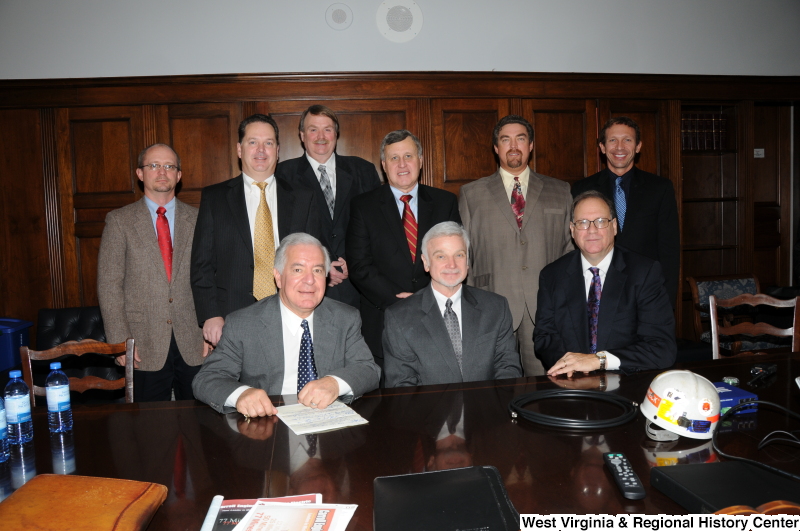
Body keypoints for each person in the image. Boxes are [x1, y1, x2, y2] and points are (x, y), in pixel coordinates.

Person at [192, 233, 381, 417]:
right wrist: (241, 394)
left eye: (317, 270)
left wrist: (335, 383)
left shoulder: (345, 318)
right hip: (268, 426)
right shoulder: (243, 324)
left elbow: (368, 369)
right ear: (279, 277)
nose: (309, 280)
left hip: (327, 423)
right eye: (298, 270)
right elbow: (207, 379)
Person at [191, 114, 319, 348]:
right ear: (240, 149)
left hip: (291, 313)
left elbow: (313, 260)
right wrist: (210, 314)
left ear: (278, 150)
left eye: (268, 143)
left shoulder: (303, 198)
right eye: (253, 142)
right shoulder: (215, 197)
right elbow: (202, 265)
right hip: (231, 319)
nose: (261, 150)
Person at [458, 115, 573, 376]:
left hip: (546, 310)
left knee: (546, 389)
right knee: (495, 391)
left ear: (531, 145)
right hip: (491, 306)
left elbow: (570, 251)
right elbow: (465, 252)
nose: (513, 146)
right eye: (505, 139)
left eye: (520, 138)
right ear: (496, 148)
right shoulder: (471, 193)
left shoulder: (560, 190)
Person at [97, 143, 206, 401]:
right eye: (154, 165)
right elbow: (109, 285)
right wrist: (120, 341)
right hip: (141, 343)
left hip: (194, 340)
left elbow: (210, 278)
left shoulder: (200, 219)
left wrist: (211, 331)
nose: (162, 172)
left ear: (178, 175)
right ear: (140, 173)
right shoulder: (119, 221)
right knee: (148, 430)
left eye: (169, 166)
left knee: (201, 428)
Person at [347, 130, 461, 370]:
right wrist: (400, 301)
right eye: (394, 158)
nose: (402, 164)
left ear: (420, 161)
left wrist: (427, 298)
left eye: (408, 156)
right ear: (383, 165)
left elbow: (456, 258)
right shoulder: (363, 206)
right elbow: (359, 265)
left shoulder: (445, 202)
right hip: (383, 317)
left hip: (437, 315)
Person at [534, 191, 676, 376]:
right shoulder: (551, 275)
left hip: (627, 382)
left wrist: (599, 361)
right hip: (572, 385)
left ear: (614, 226)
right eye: (582, 223)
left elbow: (662, 348)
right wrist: (571, 367)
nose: (592, 230)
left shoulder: (644, 273)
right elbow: (544, 338)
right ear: (572, 230)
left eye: (601, 221)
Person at [383, 221, 522, 387]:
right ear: (426, 262)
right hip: (429, 411)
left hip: (487, 407)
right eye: (441, 256)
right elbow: (401, 385)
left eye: (459, 255)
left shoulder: (496, 307)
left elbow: (508, 369)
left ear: (468, 261)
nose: (452, 265)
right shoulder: (400, 317)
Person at [276, 105, 381, 308]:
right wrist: (321, 267)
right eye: (313, 129)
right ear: (302, 135)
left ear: (336, 133)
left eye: (328, 129)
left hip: (359, 288)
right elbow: (281, 231)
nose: (321, 136)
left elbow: (377, 227)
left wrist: (356, 262)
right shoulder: (282, 175)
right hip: (306, 287)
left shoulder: (363, 170)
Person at [571, 117, 680, 308]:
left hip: (646, 294)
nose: (619, 147)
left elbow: (669, 251)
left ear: (638, 146)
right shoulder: (581, 189)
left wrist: (666, 302)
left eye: (627, 140)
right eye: (612, 140)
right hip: (598, 293)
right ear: (602, 147)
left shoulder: (660, 189)